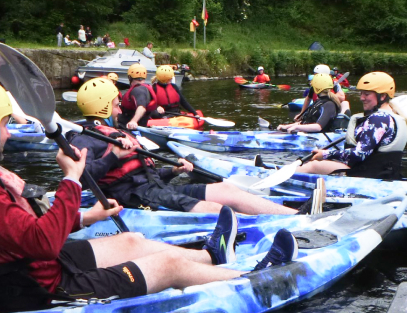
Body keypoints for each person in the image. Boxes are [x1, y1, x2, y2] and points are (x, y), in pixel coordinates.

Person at [0, 76, 297, 313]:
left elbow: (22, 229)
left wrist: (85, 218)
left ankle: (209, 256)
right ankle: (253, 278)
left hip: (26, 266)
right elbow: (42, 242)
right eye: (2, 127)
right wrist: (71, 180)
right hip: (33, 289)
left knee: (131, 239)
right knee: (167, 268)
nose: (9, 134)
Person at [70, 77, 303, 216]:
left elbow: (143, 173)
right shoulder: (85, 139)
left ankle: (300, 215)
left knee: (226, 190)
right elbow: (80, 178)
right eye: (115, 104)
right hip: (137, 199)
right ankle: (280, 222)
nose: (120, 109)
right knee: (215, 210)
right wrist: (113, 155)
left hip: (157, 189)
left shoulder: (116, 131)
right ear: (102, 107)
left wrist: (173, 171)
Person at [298, 72, 407, 179]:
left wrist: (325, 154)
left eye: (367, 94)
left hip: (366, 174)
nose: (362, 98)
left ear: (382, 96)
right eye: (361, 93)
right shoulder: (395, 116)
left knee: (313, 165)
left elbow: (360, 154)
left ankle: (285, 177)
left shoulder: (378, 119)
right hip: (384, 173)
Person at [118, 64, 160, 129]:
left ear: (129, 77)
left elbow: (142, 108)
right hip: (137, 121)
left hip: (128, 125)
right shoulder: (143, 88)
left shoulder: (138, 90)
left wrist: (134, 121)